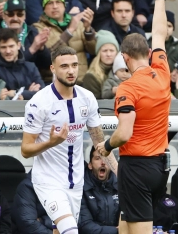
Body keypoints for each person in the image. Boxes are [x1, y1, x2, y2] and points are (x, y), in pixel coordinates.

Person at [96, 0, 174, 234]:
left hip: (136, 167)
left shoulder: (127, 87)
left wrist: (105, 146)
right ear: (149, 54)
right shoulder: (162, 71)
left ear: (124, 57)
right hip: (159, 166)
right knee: (124, 228)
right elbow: (160, 33)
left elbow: (125, 132)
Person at [21, 45, 118, 234]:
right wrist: (51, 142)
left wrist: (119, 172)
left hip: (76, 183)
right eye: (64, 66)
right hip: (48, 182)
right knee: (71, 231)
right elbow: (25, 150)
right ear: (53, 69)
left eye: (74, 65)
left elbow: (100, 143)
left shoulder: (87, 98)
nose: (71, 70)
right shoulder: (39, 102)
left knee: (60, 231)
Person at [33, 0, 96, 84]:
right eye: (50, 3)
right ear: (44, 9)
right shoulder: (38, 28)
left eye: (58, 2)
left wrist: (88, 30)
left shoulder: (78, 24)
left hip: (81, 79)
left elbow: (93, 50)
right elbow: (49, 55)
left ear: (64, 6)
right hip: (55, 80)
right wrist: (69, 31)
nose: (54, 6)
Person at [0, 0, 52, 71]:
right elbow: (8, 65)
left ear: (24, 16)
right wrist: (32, 49)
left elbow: (47, 64)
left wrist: (42, 48)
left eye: (19, 14)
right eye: (11, 14)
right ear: (4, 16)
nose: (15, 18)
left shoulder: (32, 32)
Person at [0, 28, 45, 100]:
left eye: (11, 46)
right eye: (3, 47)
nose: (8, 51)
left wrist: (17, 93)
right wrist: (29, 92)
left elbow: (43, 93)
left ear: (18, 45)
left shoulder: (31, 67)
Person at [78, 146, 119, 234]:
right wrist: (117, 231)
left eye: (106, 158)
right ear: (90, 165)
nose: (103, 162)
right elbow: (85, 225)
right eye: (98, 158)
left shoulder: (121, 186)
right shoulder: (81, 188)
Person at [82, 30, 119, 99]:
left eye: (112, 50)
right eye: (105, 51)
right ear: (99, 53)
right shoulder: (91, 77)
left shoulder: (123, 71)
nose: (108, 54)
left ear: (117, 52)